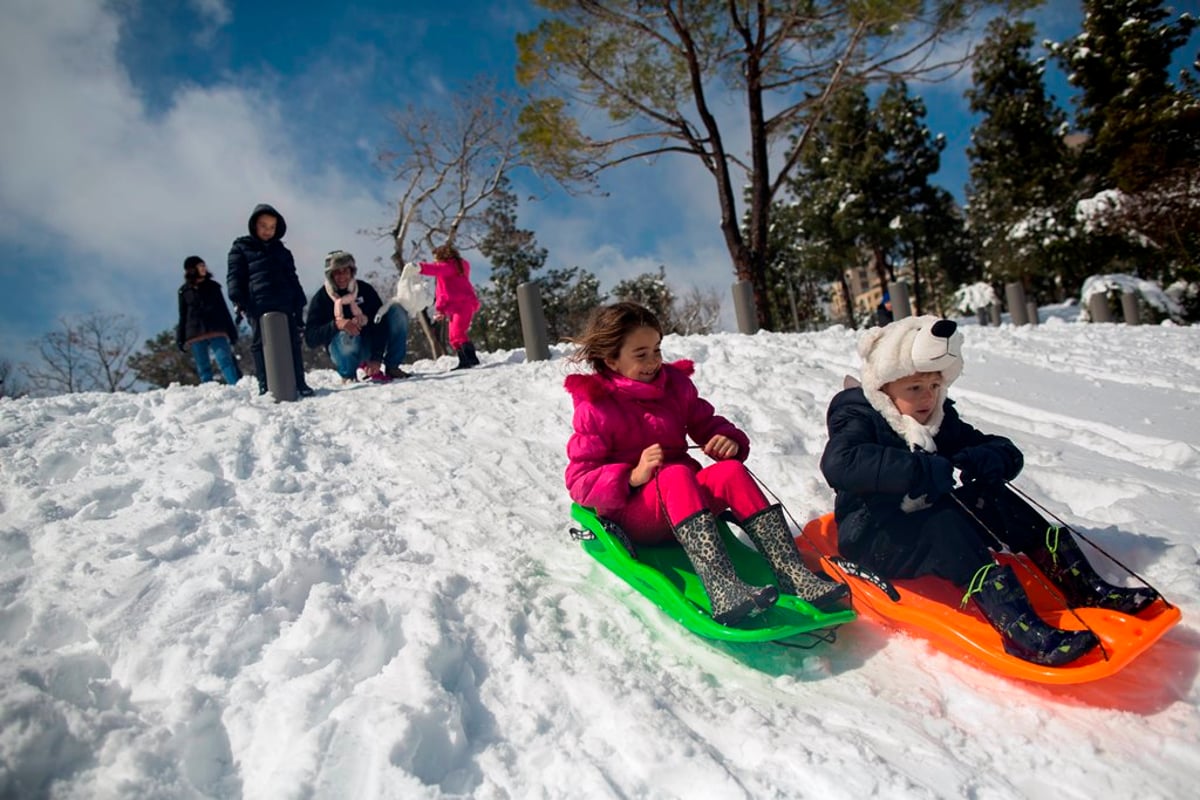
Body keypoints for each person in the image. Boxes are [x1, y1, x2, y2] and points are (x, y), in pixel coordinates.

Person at [819, 316, 1159, 666]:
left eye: (934, 386)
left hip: (923, 524)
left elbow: (1000, 448)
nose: (927, 397)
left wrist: (984, 459)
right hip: (875, 537)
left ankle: (1084, 587)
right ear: (885, 388)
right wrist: (919, 470)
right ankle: (1020, 631)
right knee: (945, 521)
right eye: (915, 388)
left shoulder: (936, 417)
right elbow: (840, 462)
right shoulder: (858, 412)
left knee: (992, 497)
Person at [564, 302, 847, 626]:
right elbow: (579, 480)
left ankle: (792, 574)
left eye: (657, 349)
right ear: (610, 359)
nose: (653, 361)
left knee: (729, 472)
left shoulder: (675, 386)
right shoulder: (596, 407)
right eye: (640, 354)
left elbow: (707, 422)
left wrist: (727, 440)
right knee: (675, 474)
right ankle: (724, 589)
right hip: (639, 515)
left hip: (689, 509)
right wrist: (632, 476)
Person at [226, 203, 313, 397]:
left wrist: (299, 300)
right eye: (263, 225)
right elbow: (235, 274)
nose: (267, 230)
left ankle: (299, 381)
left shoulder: (282, 252)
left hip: (284, 299)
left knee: (292, 341)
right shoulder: (241, 247)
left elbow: (292, 277)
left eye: (272, 227)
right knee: (260, 342)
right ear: (254, 225)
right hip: (257, 301)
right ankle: (265, 384)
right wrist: (237, 298)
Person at [304, 250, 410, 383]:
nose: (342, 276)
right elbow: (310, 338)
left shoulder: (365, 290)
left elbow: (380, 324)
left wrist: (376, 358)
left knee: (397, 310)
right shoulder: (321, 299)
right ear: (330, 275)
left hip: (369, 344)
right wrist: (336, 325)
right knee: (346, 334)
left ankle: (393, 367)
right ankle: (348, 375)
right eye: (337, 272)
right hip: (342, 347)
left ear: (351, 272)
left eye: (346, 271)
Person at [176, 255, 241, 385]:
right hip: (195, 332)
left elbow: (223, 310)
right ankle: (208, 389)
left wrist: (232, 332)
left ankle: (236, 387)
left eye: (204, 265)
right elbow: (183, 315)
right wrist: (180, 337)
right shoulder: (184, 291)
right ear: (192, 269)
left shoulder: (213, 287)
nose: (204, 268)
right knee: (203, 366)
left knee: (225, 360)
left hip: (216, 328)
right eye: (200, 266)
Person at [419, 243, 481, 370]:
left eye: (436, 258)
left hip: (464, 304)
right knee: (453, 337)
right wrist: (440, 309)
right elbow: (441, 293)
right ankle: (464, 360)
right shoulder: (446, 272)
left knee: (458, 332)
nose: (434, 261)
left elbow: (436, 269)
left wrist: (419, 267)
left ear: (442, 256)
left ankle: (471, 358)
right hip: (453, 308)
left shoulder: (451, 267)